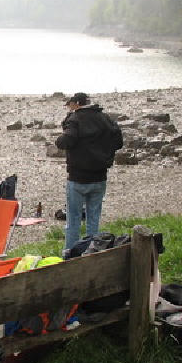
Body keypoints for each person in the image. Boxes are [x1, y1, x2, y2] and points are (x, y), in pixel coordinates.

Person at [54, 92, 123, 254]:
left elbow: (65, 141)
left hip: (77, 178)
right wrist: (104, 151)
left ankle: (70, 254)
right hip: (99, 176)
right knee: (93, 219)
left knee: (73, 219)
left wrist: (61, 137)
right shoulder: (104, 118)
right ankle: (92, 252)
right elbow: (118, 142)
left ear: (77, 103)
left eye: (70, 104)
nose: (69, 107)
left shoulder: (75, 119)